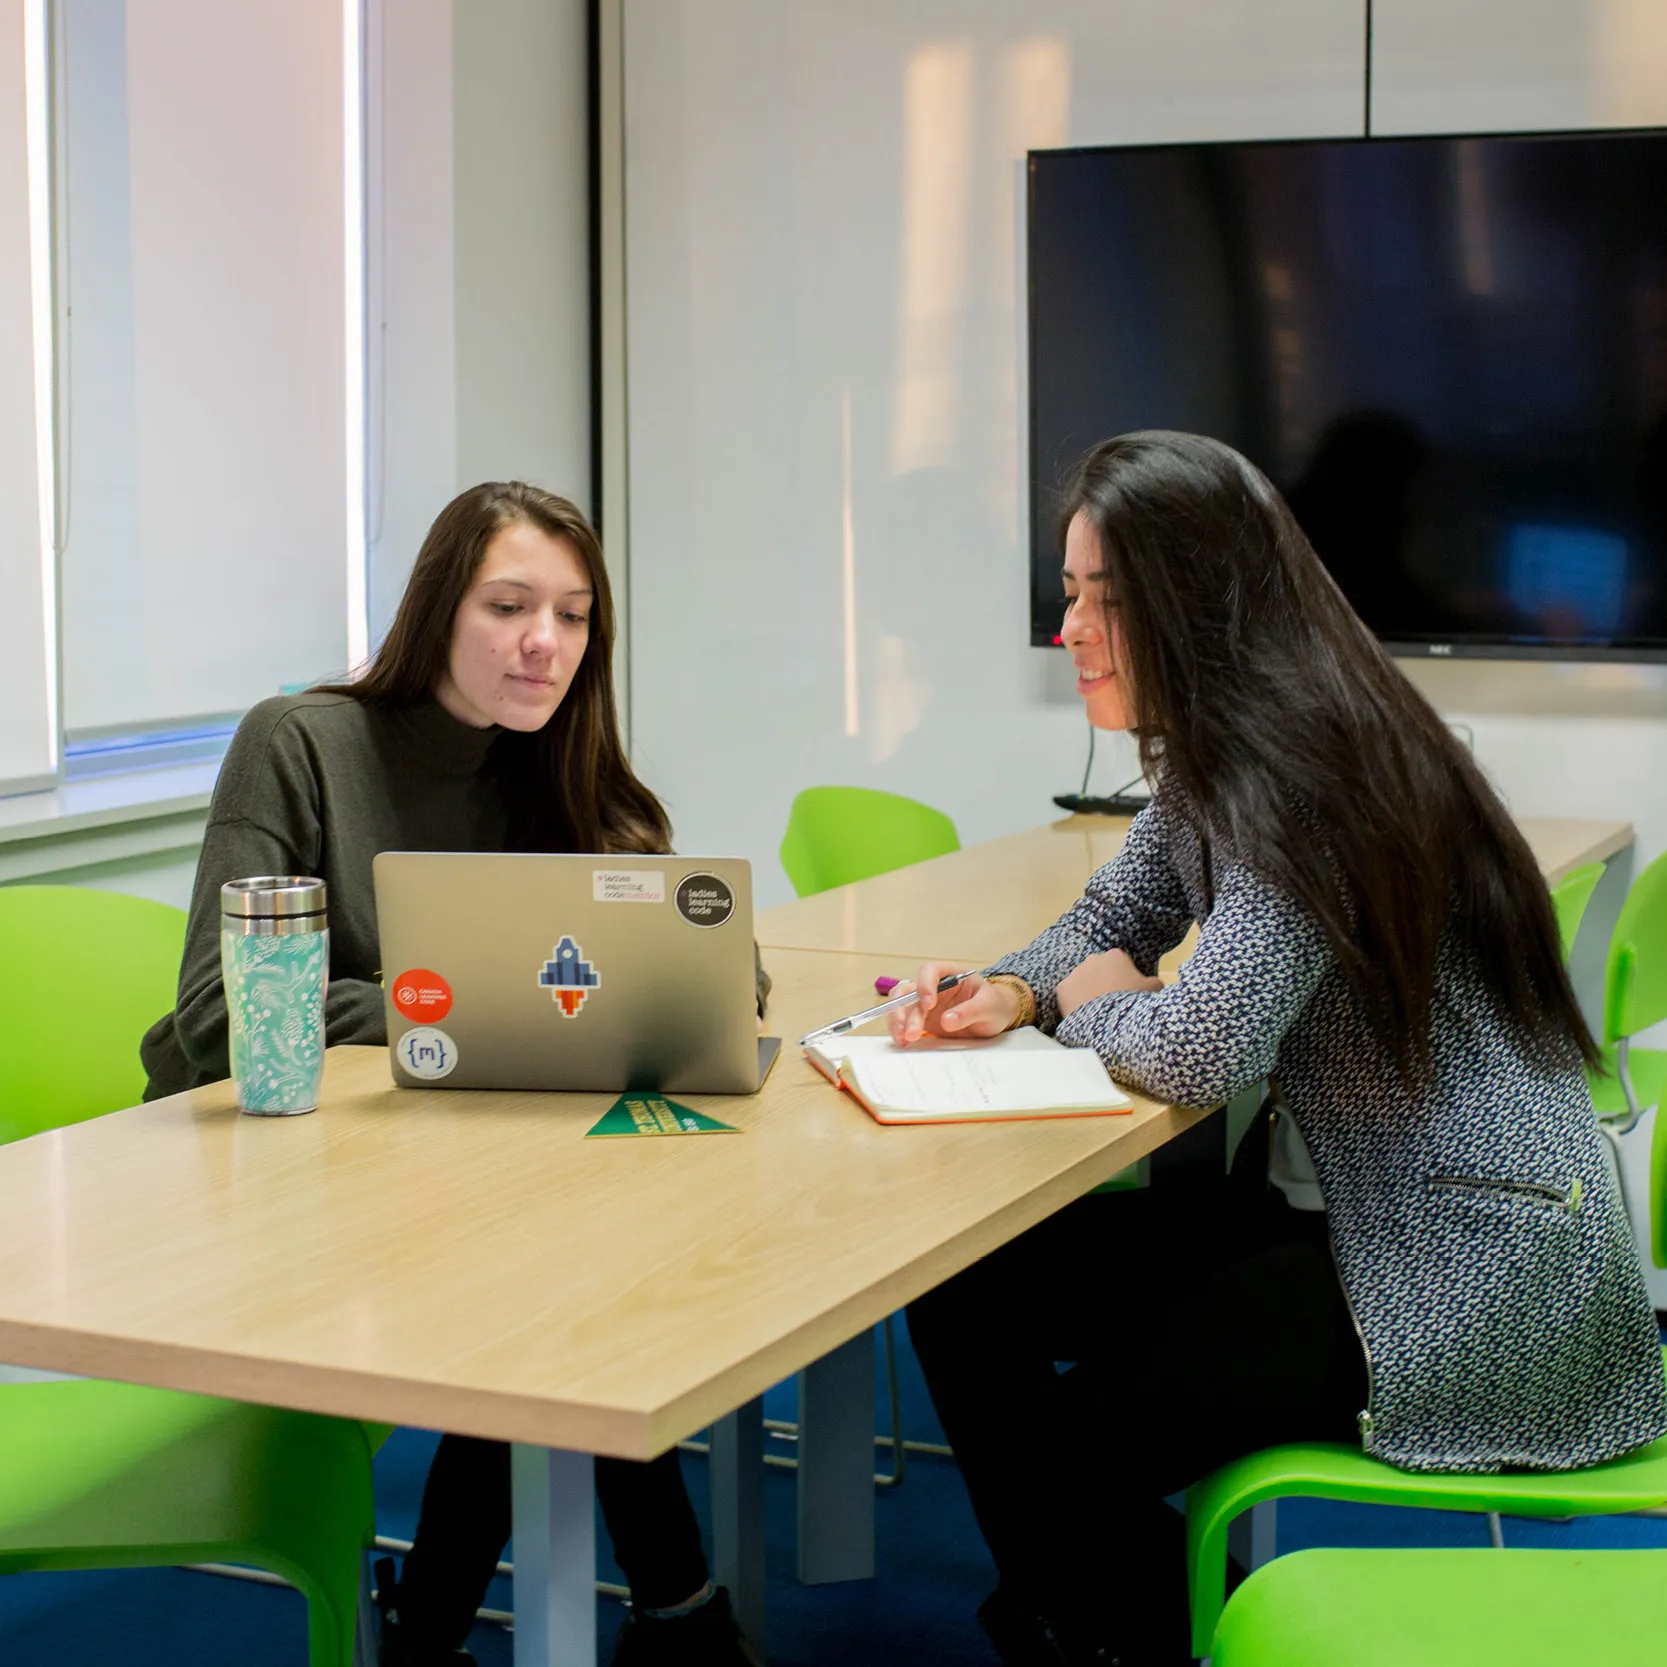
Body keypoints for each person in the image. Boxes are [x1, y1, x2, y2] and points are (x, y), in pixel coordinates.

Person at [889, 431, 1667, 1666]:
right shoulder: (1225, 752)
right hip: (1364, 1213)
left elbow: (1197, 1047)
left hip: (1462, 1264)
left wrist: (1087, 1004)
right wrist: (1009, 991)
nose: (1070, 630)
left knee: (1066, 1452)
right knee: (958, 1277)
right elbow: (1111, 922)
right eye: (1069, 594)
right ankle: (1086, 1608)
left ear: (1200, 601)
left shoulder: (1313, 770)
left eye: (1105, 599)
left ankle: (1091, 1616)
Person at [141, 482, 765, 1667]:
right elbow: (224, 1015)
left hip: (453, 1174)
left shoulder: (554, 765)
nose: (547, 642)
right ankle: (675, 1617)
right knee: (564, 1296)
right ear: (437, 608)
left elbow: (709, 977)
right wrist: (470, 1004)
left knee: (570, 1279)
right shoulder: (302, 742)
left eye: (576, 616)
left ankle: (446, 1636)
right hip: (272, 1171)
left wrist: (651, 976)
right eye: (510, 604)